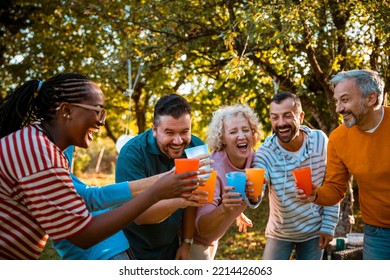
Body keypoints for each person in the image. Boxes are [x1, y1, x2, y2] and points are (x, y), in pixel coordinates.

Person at [0, 73, 202, 260]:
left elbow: (86, 197)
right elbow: (84, 235)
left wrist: (162, 179)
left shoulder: (40, 143)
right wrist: (157, 192)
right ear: (67, 110)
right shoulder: (37, 152)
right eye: (98, 111)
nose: (102, 122)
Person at [298, 69, 390, 260]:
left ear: (371, 98)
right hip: (377, 233)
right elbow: (336, 188)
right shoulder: (339, 138)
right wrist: (316, 194)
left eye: (345, 100)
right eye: (337, 101)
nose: (339, 108)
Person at [115, 93, 208, 260]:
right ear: (155, 131)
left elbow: (194, 201)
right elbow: (139, 216)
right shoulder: (131, 154)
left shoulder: (197, 148)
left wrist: (186, 243)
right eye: (169, 132)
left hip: (169, 245)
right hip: (130, 247)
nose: (178, 141)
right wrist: (182, 199)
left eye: (185, 132)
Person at [253, 91, 339, 260]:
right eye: (275, 117)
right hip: (280, 233)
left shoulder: (320, 141)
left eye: (287, 116)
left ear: (300, 117)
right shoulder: (265, 153)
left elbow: (332, 184)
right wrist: (254, 191)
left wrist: (328, 226)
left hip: (314, 231)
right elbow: (256, 193)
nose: (281, 123)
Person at [191, 104, 262, 260]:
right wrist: (225, 208)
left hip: (213, 240)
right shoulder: (211, 170)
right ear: (222, 138)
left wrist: (238, 212)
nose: (242, 136)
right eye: (233, 132)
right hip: (194, 243)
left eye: (246, 129)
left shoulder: (252, 157)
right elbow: (201, 227)